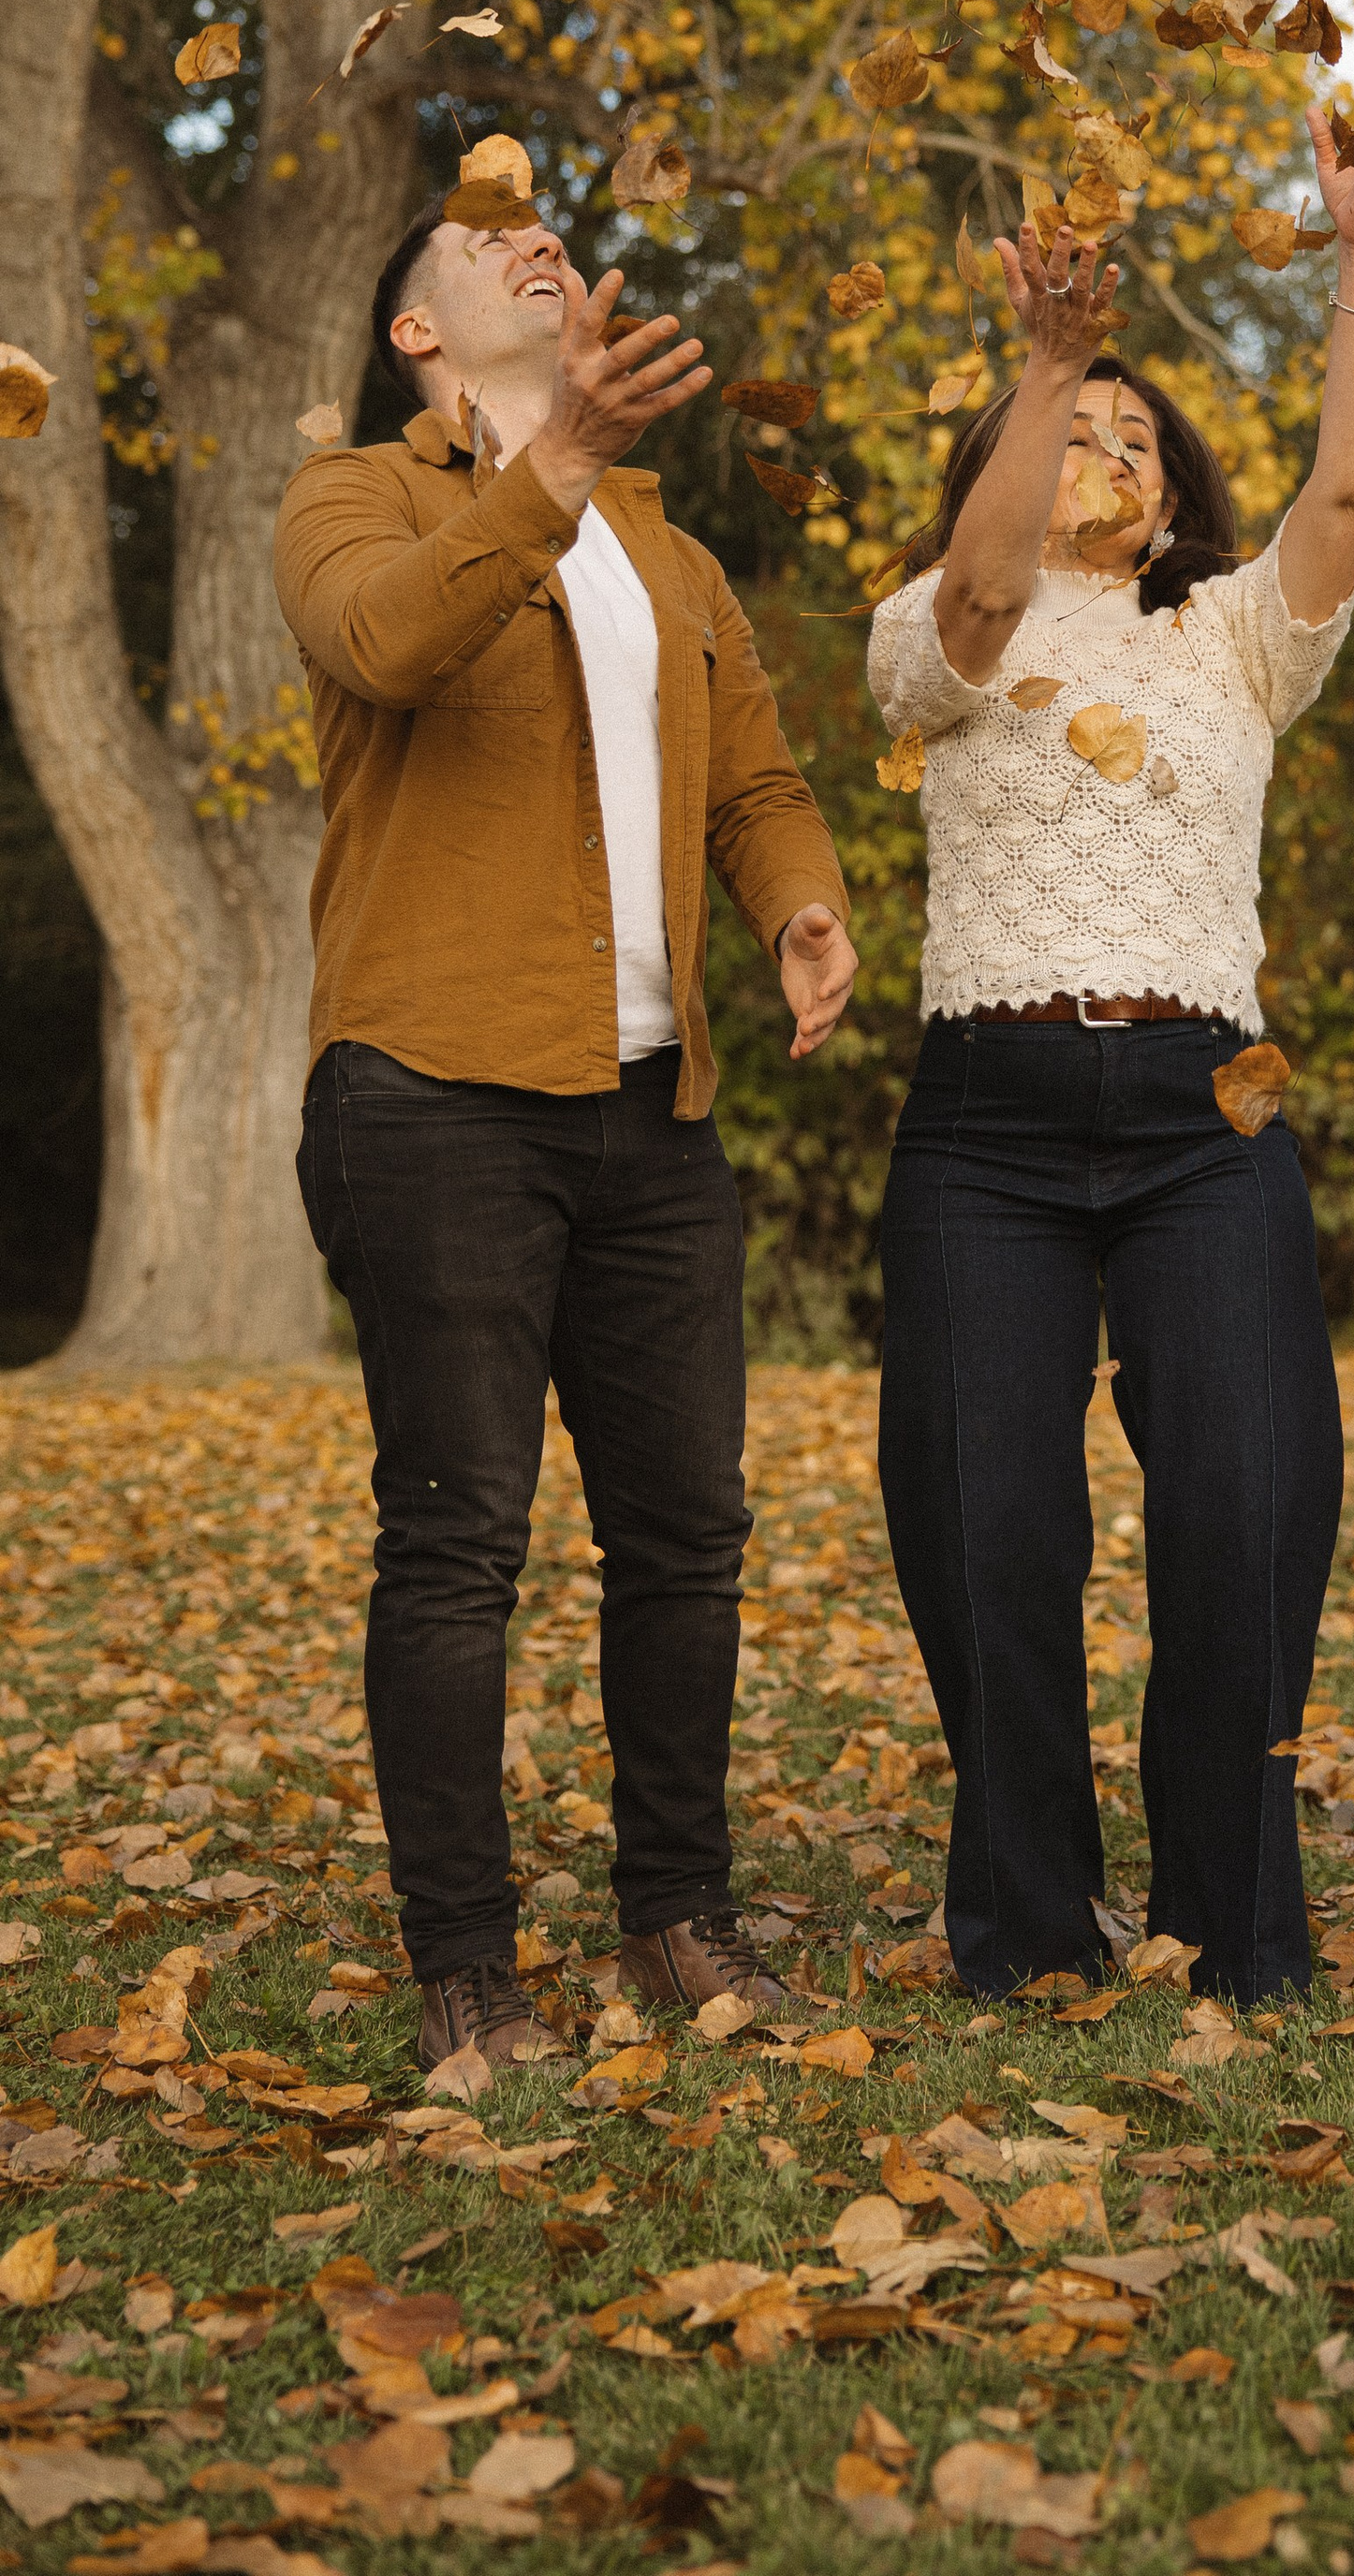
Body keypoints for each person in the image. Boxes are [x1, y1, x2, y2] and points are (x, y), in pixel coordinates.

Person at [273, 204, 858, 2071]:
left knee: (684, 1533)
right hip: (432, 1095)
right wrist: (551, 472)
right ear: (419, 332)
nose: (530, 242)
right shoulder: (356, 498)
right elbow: (384, 645)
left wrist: (795, 906)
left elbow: (754, 772)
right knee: (457, 1543)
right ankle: (468, 1968)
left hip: (647, 1112)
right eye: (481, 239)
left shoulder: (669, 552)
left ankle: (677, 1918)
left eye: (544, 229)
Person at [867, 62, 1354, 2007]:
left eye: (1132, 432)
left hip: (1206, 1119)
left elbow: (1345, 484)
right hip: (984, 1128)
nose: (1106, 445)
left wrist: (1353, 246)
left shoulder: (1236, 639)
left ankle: (1228, 1928)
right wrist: (1041, 368)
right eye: (1069, 430)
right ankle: (1026, 1926)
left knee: (1247, 1508)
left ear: (1177, 493)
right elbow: (993, 571)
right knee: (980, 1524)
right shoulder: (940, 624)